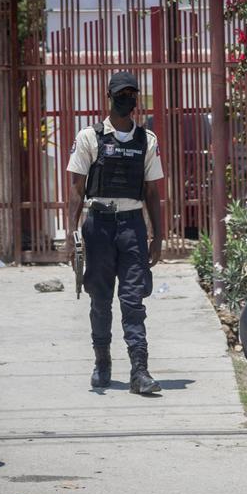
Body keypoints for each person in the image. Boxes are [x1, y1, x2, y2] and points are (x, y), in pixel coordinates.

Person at [65, 71, 165, 394]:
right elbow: (77, 190)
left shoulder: (147, 141)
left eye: (131, 94)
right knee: (100, 299)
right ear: (110, 97)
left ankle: (140, 370)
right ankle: (102, 360)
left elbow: (152, 193)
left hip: (132, 225)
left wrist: (158, 235)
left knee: (133, 300)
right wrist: (71, 235)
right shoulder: (89, 138)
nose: (128, 100)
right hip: (98, 226)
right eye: (121, 94)